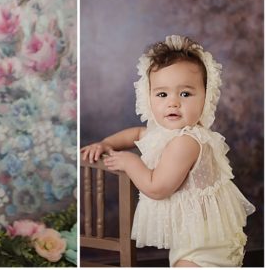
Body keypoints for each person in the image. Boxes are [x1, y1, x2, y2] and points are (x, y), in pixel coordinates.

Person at [81, 36, 255, 267]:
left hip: (206, 246)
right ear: (148, 97)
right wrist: (106, 144)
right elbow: (135, 133)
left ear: (206, 97)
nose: (173, 103)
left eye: (185, 94)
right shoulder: (162, 133)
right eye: (162, 94)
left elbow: (157, 188)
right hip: (192, 237)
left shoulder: (186, 142)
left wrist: (131, 162)